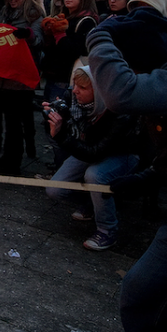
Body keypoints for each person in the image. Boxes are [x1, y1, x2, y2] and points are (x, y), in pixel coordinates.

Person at [86, 11, 167, 332]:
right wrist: (145, 179)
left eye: (135, 69)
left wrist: (98, 36)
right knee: (141, 295)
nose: (137, 77)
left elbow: (123, 94)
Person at [43, 66, 139, 251]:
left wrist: (62, 136)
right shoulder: (74, 102)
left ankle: (107, 230)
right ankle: (94, 204)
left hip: (123, 153)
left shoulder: (119, 111)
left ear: (101, 90)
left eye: (83, 87)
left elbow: (96, 152)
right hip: (90, 148)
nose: (75, 90)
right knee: (55, 190)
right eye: (75, 85)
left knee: (95, 175)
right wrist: (55, 117)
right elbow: (75, 138)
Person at [0, 0, 45, 174]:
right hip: (3, 73)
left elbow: (38, 40)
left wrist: (27, 35)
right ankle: (7, 157)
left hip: (20, 76)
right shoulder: (4, 11)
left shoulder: (35, 14)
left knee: (15, 121)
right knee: (8, 120)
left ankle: (13, 162)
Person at [41, 0, 98, 103]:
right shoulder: (64, 18)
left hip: (67, 78)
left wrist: (59, 33)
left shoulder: (87, 21)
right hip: (54, 75)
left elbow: (73, 51)